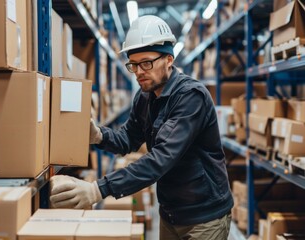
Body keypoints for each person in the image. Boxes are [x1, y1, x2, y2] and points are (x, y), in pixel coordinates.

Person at [50, 15, 233, 240]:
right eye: (133, 64)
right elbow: (128, 139)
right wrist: (98, 135)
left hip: (204, 217)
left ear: (168, 59)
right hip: (170, 212)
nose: (138, 72)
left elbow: (161, 158)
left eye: (146, 63)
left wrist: (98, 189)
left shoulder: (191, 97)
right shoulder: (145, 96)